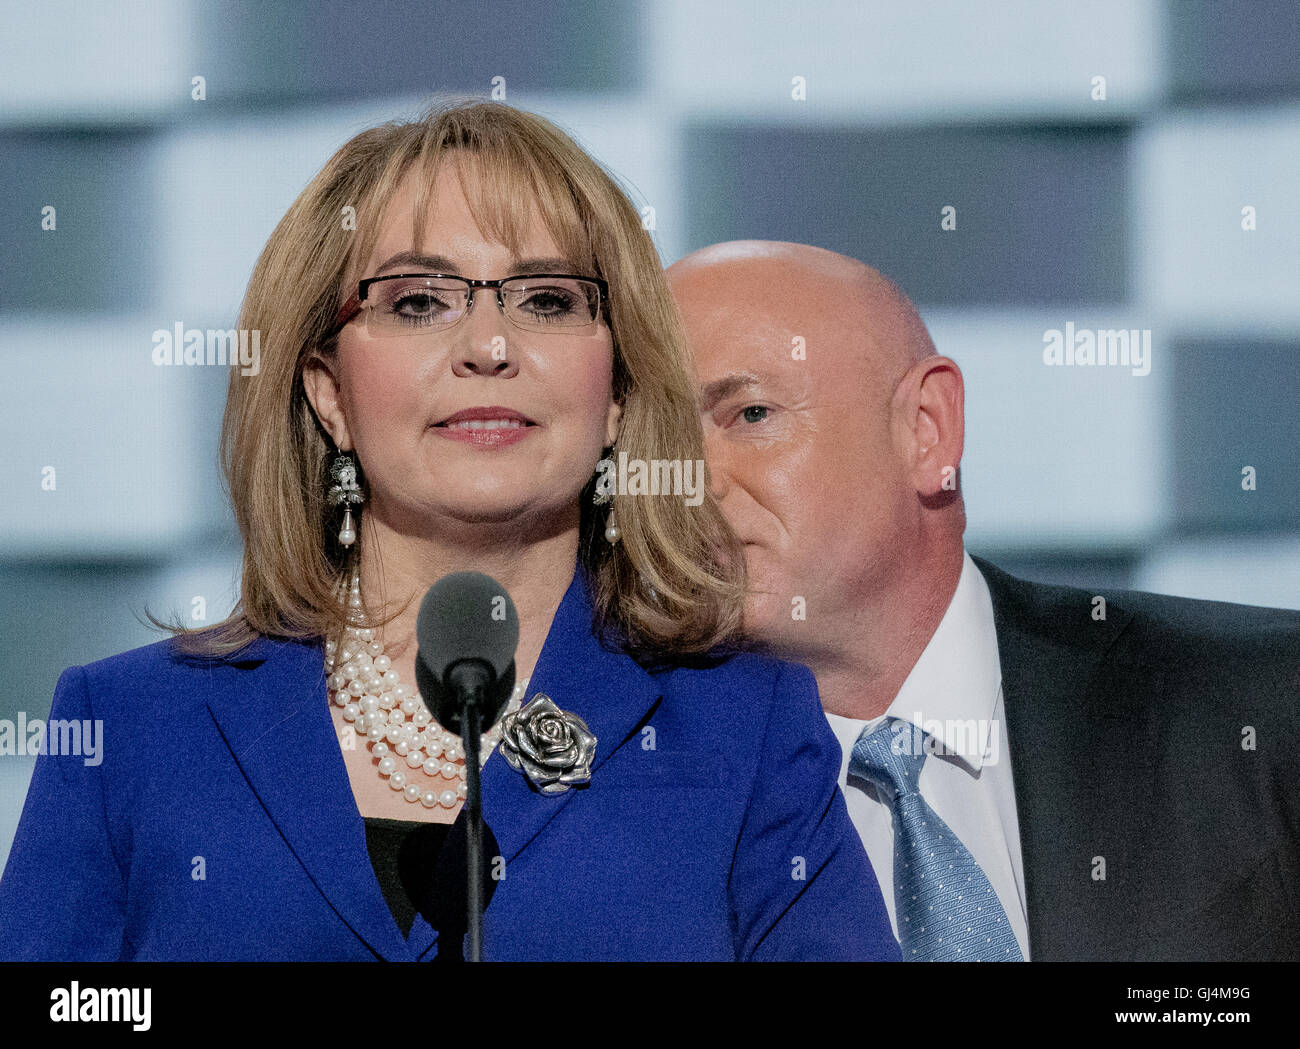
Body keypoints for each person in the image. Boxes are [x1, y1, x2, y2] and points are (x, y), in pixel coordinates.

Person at [0, 110, 898, 963]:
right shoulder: (129, 729)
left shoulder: (748, 728)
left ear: (619, 392)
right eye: (420, 301)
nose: (489, 345)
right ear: (328, 392)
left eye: (548, 299)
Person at [667, 239, 1300, 962]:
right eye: (654, 444)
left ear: (927, 427)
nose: (687, 483)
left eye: (750, 415)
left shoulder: (1266, 706)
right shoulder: (614, 803)